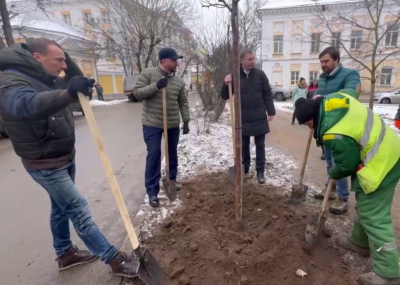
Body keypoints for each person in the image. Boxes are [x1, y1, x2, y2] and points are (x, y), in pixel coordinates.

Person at [0, 38, 138, 278]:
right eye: (59, 60)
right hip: (44, 162)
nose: (63, 66)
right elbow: (24, 104)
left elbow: (71, 84)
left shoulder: (45, 73)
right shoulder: (11, 78)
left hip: (62, 155)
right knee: (77, 208)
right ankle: (114, 260)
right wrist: (66, 92)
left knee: (60, 208)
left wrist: (69, 67)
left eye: (65, 60)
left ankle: (65, 254)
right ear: (37, 58)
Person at [295, 89, 400, 285]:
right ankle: (359, 243)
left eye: (307, 124)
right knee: (365, 205)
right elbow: (350, 92)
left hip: (382, 161)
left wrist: (334, 173)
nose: (309, 128)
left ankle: (388, 273)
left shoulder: (333, 132)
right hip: (385, 149)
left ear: (312, 118)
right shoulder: (332, 102)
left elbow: (347, 164)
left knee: (374, 216)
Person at [133, 47, 190, 208]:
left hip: (172, 124)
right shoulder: (149, 74)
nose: (177, 63)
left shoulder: (178, 81)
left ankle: (171, 179)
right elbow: (137, 94)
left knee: (172, 153)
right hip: (152, 123)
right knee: (154, 154)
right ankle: (152, 191)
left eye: (177, 60)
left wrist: (186, 120)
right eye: (174, 60)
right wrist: (156, 86)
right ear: (164, 61)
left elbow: (183, 102)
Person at [313, 46, 361, 215]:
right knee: (328, 160)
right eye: (321, 62)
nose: (323, 64)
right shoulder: (323, 78)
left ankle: (343, 198)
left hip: (343, 126)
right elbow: (317, 98)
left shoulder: (350, 75)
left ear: (336, 60)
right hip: (326, 126)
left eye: (326, 61)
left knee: (337, 162)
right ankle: (331, 190)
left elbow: (351, 93)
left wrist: (326, 98)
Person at [221, 48, 276, 184]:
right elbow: (224, 95)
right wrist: (225, 83)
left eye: (253, 59)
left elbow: (267, 94)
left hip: (258, 116)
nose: (253, 61)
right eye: (249, 59)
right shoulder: (235, 76)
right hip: (242, 117)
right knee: (244, 145)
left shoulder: (260, 75)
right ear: (242, 61)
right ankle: (244, 169)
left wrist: (271, 111)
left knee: (260, 145)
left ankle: (260, 171)